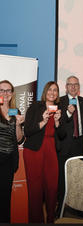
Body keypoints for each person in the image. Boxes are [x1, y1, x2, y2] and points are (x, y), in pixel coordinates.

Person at [23, 81, 65, 223]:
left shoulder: (59, 109)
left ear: (58, 94)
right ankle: (36, 221)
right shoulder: (36, 106)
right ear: (45, 91)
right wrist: (43, 121)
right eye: (50, 90)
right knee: (35, 188)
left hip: (51, 150)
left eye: (55, 90)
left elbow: (63, 134)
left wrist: (58, 123)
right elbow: (27, 130)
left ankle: (51, 218)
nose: (52, 92)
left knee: (52, 186)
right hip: (34, 150)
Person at [57, 75, 83, 216]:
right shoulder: (60, 102)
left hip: (79, 143)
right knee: (62, 177)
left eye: (76, 84)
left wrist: (81, 133)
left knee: (77, 175)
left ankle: (77, 206)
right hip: (64, 144)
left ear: (79, 87)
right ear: (65, 87)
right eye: (70, 84)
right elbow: (59, 124)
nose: (73, 87)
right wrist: (68, 114)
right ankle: (60, 206)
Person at [0, 80, 24, 223]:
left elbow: (19, 139)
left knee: (5, 197)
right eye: (2, 90)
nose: (5, 93)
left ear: (12, 93)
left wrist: (18, 124)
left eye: (8, 90)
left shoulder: (16, 111)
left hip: (9, 160)